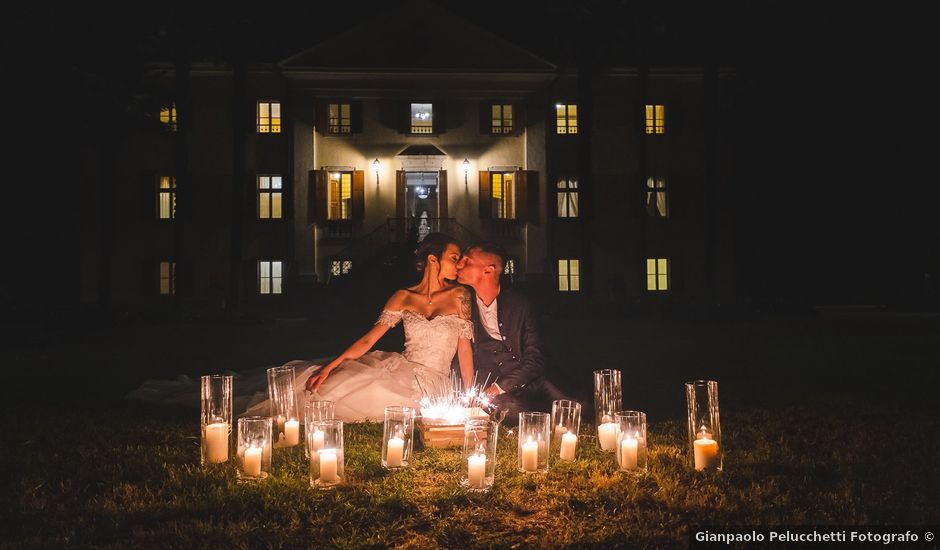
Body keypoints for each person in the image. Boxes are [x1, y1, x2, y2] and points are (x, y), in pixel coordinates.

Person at [241, 232, 475, 421]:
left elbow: (464, 349)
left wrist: (469, 395)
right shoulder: (403, 296)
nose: (459, 265)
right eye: (454, 258)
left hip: (436, 382)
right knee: (336, 393)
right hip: (404, 371)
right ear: (433, 259)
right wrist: (331, 366)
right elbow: (368, 340)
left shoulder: (459, 295)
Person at [455, 242, 568, 424]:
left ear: (489, 270)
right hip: (490, 391)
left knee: (575, 408)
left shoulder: (520, 305)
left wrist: (500, 387)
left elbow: (536, 358)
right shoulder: (463, 305)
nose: (459, 265)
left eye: (467, 261)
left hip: (530, 381)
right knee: (511, 412)